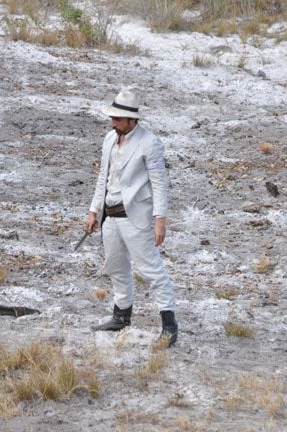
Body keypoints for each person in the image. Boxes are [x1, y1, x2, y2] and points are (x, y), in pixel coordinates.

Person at [85, 89, 178, 347]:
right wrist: (94, 210)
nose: (113, 122)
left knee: (151, 270)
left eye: (117, 118)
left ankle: (169, 325)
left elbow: (159, 184)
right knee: (115, 265)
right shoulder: (109, 140)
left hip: (135, 216)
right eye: (112, 117)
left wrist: (160, 220)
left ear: (132, 121)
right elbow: (102, 177)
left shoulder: (150, 143)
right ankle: (121, 314)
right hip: (111, 216)